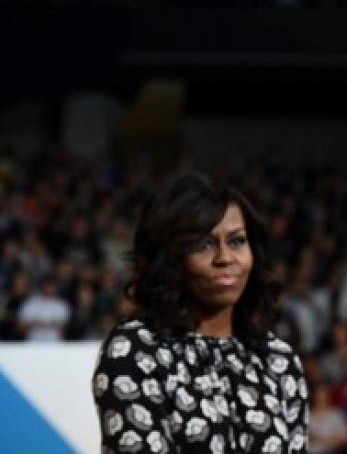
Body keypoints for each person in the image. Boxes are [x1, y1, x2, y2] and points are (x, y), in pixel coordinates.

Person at [92, 173, 309, 453]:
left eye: (236, 241)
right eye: (204, 245)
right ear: (170, 258)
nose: (225, 258)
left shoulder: (279, 360)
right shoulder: (135, 350)